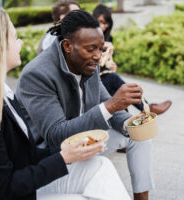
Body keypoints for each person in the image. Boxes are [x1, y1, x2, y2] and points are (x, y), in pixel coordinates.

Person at [0, 7, 131, 200]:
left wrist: (66, 151)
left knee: (100, 165)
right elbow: (4, 188)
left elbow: (24, 157)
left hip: (25, 184)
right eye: (15, 38)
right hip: (9, 194)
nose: (21, 43)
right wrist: (63, 158)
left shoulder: (4, 95)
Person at [16, 10, 154, 200]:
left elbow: (105, 103)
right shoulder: (37, 74)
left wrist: (132, 123)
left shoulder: (88, 61)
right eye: (91, 49)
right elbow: (55, 136)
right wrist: (112, 105)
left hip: (85, 139)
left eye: (100, 49)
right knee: (101, 173)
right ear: (67, 45)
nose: (98, 57)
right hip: (52, 158)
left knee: (139, 136)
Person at [93, 4, 172, 116]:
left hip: (103, 77)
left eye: (106, 23)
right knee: (114, 80)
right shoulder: (88, 36)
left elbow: (106, 62)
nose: (103, 26)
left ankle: (128, 121)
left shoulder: (108, 38)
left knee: (117, 92)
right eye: (100, 22)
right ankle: (147, 108)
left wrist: (111, 65)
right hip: (91, 79)